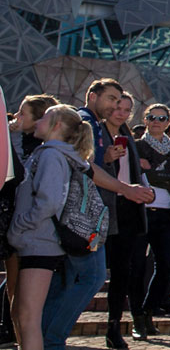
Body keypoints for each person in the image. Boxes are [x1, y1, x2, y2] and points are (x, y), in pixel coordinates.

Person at [8, 105, 95, 350]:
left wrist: (19, 226)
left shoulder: (51, 155)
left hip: (39, 242)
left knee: (29, 318)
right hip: (40, 241)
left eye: (44, 118)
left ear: (56, 125)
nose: (38, 122)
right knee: (27, 316)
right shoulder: (53, 153)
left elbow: (48, 201)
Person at [134, 103, 170, 336]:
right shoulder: (136, 146)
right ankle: (138, 318)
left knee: (165, 265)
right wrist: (165, 174)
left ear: (168, 122)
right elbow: (135, 173)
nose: (157, 121)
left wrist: (151, 171)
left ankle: (146, 310)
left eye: (162, 118)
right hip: (140, 212)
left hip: (166, 213)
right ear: (145, 120)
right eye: (152, 117)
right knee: (135, 267)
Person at [103, 92, 147, 349]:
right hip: (104, 206)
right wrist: (106, 159)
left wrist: (144, 190)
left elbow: (136, 172)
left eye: (126, 109)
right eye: (118, 107)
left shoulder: (129, 138)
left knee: (123, 271)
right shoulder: (95, 133)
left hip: (128, 208)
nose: (121, 113)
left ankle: (113, 326)